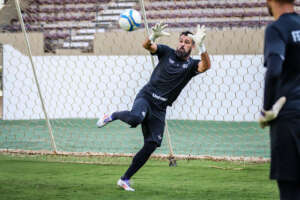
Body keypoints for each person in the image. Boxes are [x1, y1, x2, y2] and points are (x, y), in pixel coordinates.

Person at [97, 23, 211, 191]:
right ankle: (113, 115)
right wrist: (152, 37)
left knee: (152, 144)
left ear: (192, 47)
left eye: (187, 42)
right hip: (147, 97)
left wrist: (202, 45)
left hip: (160, 108)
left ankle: (124, 179)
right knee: (136, 118)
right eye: (181, 40)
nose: (182, 44)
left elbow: (206, 65)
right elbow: (147, 46)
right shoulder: (166, 52)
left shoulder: (192, 65)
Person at [259, 0, 300, 199]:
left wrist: (267, 110)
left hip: (289, 115)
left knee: (291, 189)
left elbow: (274, 70)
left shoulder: (277, 29)